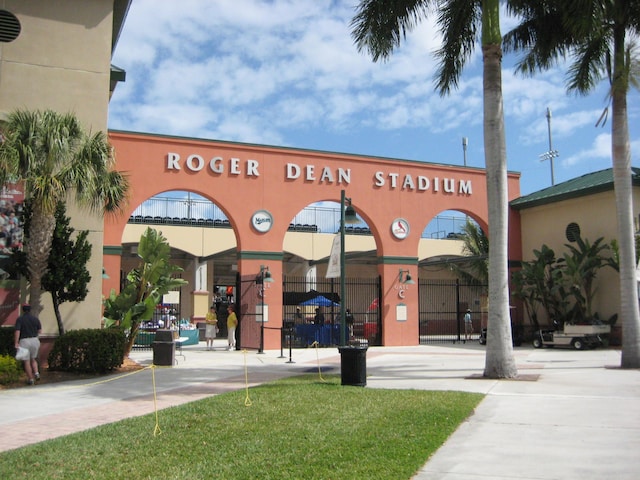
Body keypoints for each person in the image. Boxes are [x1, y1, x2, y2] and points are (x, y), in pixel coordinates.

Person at [14, 304, 42, 385]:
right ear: (30, 310)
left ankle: (31, 379)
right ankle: (36, 373)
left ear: (22, 310)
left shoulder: (20, 319)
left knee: (26, 361)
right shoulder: (35, 319)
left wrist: (16, 342)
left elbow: (17, 331)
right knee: (33, 359)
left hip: (24, 341)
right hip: (35, 340)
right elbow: (40, 331)